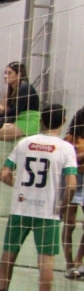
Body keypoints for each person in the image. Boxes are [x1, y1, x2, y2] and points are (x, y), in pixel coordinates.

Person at [0, 103, 77, 291]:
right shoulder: (65, 148)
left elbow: (3, 174)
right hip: (47, 211)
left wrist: (21, 189)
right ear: (63, 122)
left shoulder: (24, 143)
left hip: (20, 208)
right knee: (46, 262)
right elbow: (71, 185)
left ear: (41, 120)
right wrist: (63, 205)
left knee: (8, 256)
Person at [0, 62, 41, 171]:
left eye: (9, 73)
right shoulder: (12, 91)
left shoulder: (24, 87)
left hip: (29, 122)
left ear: (19, 74)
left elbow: (15, 112)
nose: (5, 76)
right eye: (5, 73)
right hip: (18, 120)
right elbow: (6, 111)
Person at [62, 108, 84, 278]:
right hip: (71, 180)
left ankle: (78, 261)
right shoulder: (69, 138)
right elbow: (67, 159)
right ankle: (69, 265)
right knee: (69, 224)